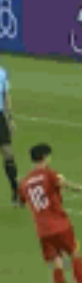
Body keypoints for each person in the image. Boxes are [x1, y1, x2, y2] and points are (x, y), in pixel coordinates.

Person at [18, 143, 82, 283]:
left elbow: (22, 201)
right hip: (60, 225)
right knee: (75, 254)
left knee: (56, 264)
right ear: (44, 157)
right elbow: (66, 184)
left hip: (42, 231)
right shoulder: (49, 174)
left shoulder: (24, 182)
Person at [0, 62, 17, 206]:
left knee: (8, 153)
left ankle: (15, 191)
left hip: (0, 118)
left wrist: (10, 119)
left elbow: (6, 96)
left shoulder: (2, 73)